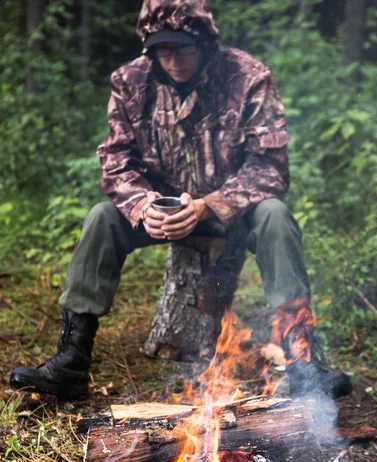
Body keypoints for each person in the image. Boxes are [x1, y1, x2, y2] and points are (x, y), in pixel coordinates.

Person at [10, 0, 352, 401]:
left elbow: (270, 168)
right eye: (161, 50)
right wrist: (143, 205)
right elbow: (117, 163)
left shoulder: (248, 77)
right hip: (161, 209)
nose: (172, 60)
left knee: (275, 217)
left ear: (204, 42)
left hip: (232, 210)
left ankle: (304, 363)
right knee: (102, 217)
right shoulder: (131, 81)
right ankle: (72, 358)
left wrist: (209, 205)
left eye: (182, 49)